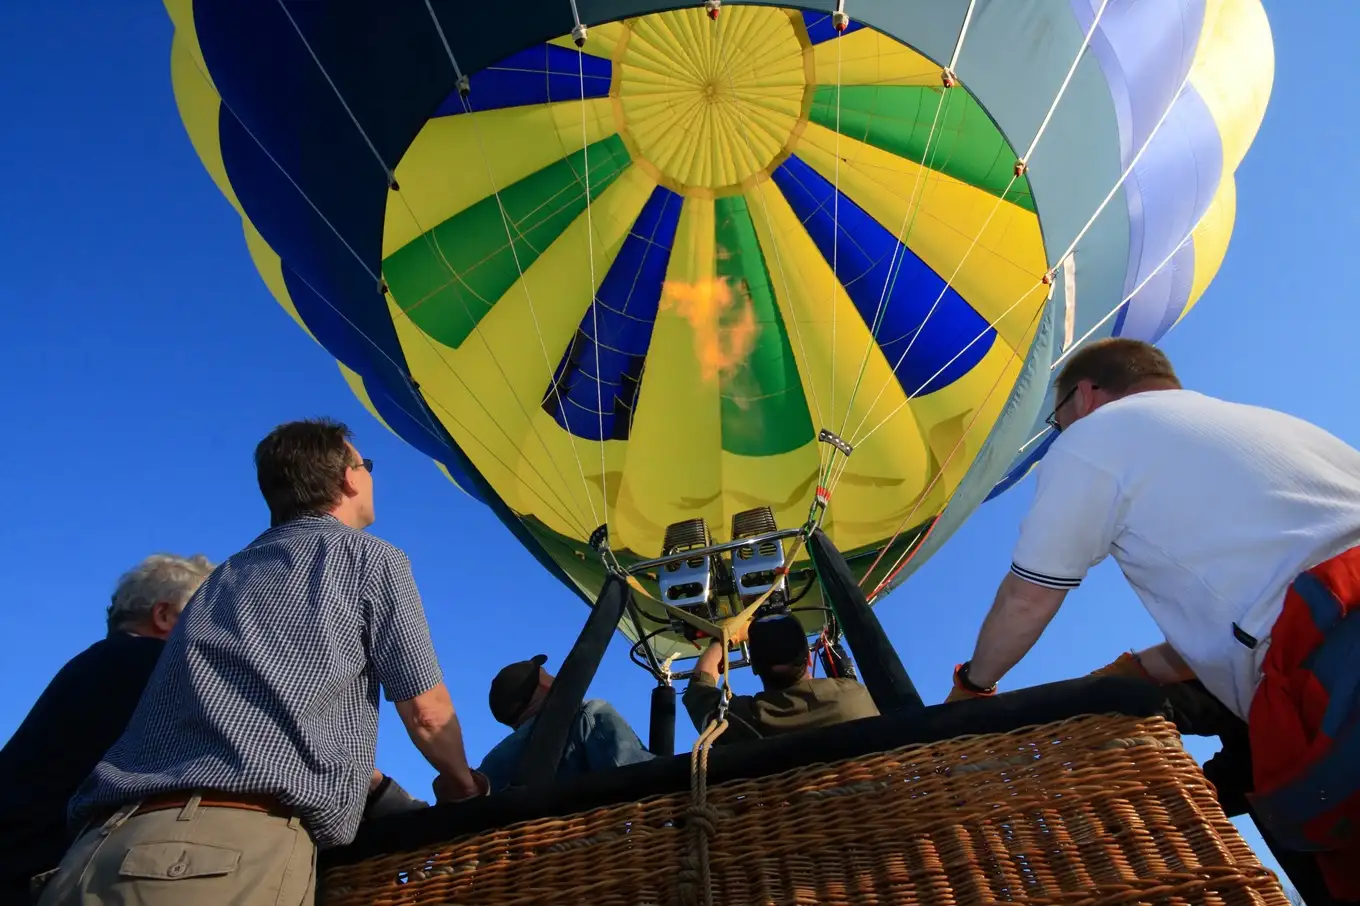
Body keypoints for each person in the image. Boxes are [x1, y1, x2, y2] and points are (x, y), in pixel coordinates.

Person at [945, 337, 1360, 902]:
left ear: (1085, 396)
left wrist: (972, 687)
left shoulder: (1094, 436)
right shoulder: (1269, 425)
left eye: (1057, 415)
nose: (1059, 430)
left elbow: (1028, 597)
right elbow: (1245, 608)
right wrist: (1133, 671)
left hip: (1331, 657)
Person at [37, 419, 487, 906]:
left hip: (93, 850)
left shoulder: (220, 579)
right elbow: (426, 712)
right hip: (220, 856)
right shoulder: (370, 559)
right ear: (349, 478)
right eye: (367, 465)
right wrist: (464, 789)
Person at [0, 553, 214, 905]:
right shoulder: (148, 667)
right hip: (47, 873)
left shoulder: (94, 665)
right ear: (164, 616)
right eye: (202, 617)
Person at [683, 614, 879, 743]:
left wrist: (726, 638)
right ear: (809, 659)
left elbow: (698, 690)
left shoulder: (747, 721)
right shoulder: (857, 696)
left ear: (754, 668)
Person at [477, 655, 655, 792]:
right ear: (545, 684)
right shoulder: (587, 715)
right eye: (547, 674)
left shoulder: (491, 765)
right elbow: (643, 780)